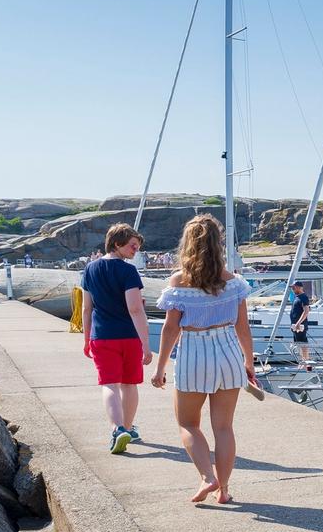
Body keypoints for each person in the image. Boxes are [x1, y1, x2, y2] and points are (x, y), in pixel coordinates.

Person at [151, 215, 255, 505]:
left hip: (194, 353)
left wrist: (160, 368)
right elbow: (242, 327)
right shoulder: (233, 282)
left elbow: (171, 328)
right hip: (228, 352)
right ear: (218, 243)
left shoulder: (179, 281)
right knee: (223, 427)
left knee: (187, 423)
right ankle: (223, 490)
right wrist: (249, 362)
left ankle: (207, 477)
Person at [81, 224, 154, 454]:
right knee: (129, 384)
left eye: (137, 247)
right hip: (129, 337)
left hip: (102, 336)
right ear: (117, 244)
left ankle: (118, 428)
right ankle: (128, 428)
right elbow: (135, 308)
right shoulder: (128, 271)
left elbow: (86, 308)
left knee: (109, 384)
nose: (135, 250)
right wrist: (146, 344)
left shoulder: (90, 269)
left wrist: (86, 339)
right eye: (132, 246)